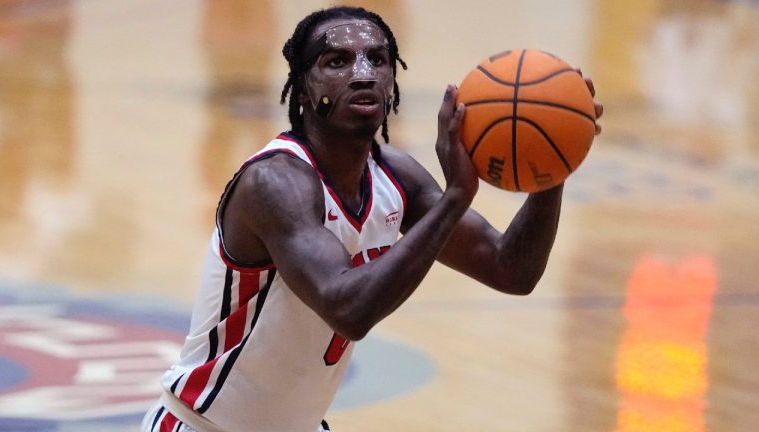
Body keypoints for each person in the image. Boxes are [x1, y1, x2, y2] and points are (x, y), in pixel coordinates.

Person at [141, 5, 603, 432]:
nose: (363, 74)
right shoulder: (274, 185)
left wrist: (551, 165)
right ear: (303, 87)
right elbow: (349, 310)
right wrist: (455, 198)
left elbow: (511, 269)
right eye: (337, 61)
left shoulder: (395, 177)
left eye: (377, 60)